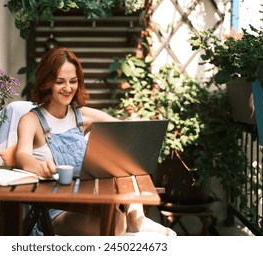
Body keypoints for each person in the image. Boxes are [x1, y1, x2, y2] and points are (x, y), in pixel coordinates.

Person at [15, 46, 176, 236]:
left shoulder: (81, 116)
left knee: (121, 158)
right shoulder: (31, 120)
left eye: (73, 81)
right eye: (60, 82)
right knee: (115, 221)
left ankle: (135, 217)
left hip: (90, 200)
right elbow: (22, 154)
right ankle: (129, 221)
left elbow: (126, 131)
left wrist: (138, 127)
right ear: (47, 83)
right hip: (57, 210)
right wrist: (37, 166)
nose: (68, 88)